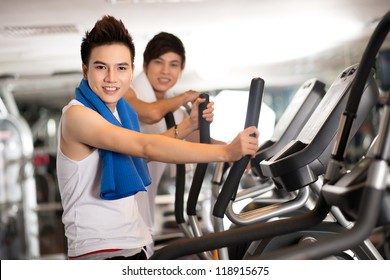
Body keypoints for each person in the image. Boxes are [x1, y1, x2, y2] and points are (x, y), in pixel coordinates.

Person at [56, 15, 259, 260]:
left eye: (121, 68)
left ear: (131, 72)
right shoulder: (77, 115)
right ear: (85, 70)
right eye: (101, 67)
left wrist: (189, 126)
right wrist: (225, 153)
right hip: (101, 252)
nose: (111, 77)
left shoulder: (120, 113)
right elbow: (145, 147)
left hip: (132, 243)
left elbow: (140, 154)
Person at [124, 32, 221, 253]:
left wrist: (235, 150)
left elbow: (197, 138)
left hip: (142, 206)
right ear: (146, 65)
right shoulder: (128, 91)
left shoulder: (171, 107)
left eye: (174, 64)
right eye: (159, 62)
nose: (166, 71)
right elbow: (149, 114)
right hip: (120, 204)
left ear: (182, 68)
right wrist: (184, 97)